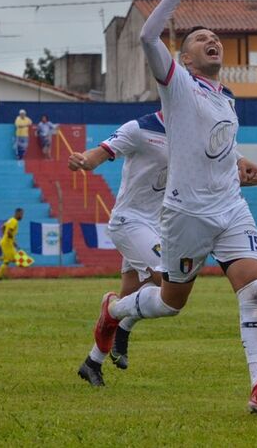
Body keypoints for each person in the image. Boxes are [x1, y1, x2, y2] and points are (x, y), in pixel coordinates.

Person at [89, 0, 257, 414]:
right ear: (183, 58)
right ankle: (115, 311)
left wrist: (254, 174)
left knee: (255, 289)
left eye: (215, 37)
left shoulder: (227, 98)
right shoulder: (177, 84)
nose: (212, 41)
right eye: (201, 39)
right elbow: (145, 35)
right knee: (171, 301)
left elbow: (219, 151)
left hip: (230, 208)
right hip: (186, 214)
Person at [72, 111, 169, 382]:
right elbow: (102, 151)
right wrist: (86, 161)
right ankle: (123, 326)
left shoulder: (191, 131)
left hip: (160, 226)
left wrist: (253, 177)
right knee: (168, 281)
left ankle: (92, 363)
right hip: (131, 223)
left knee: (127, 300)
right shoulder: (140, 128)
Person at [0, 208, 24, 281]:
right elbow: (9, 232)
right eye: (21, 214)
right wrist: (12, 241)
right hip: (7, 243)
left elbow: (2, 228)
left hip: (5, 241)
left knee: (8, 260)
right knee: (11, 260)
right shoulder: (14, 221)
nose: (22, 216)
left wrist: (5, 237)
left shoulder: (10, 219)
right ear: (17, 213)